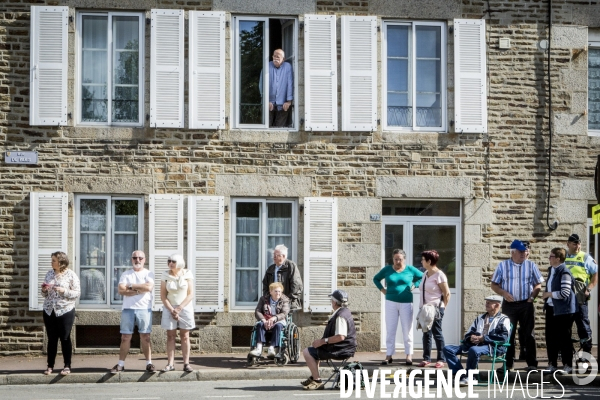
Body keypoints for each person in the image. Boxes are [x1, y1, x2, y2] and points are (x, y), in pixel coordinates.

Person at [491, 239, 543, 371]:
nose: (523, 254)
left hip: (526, 303)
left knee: (529, 334)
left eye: (525, 252)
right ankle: (507, 364)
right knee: (508, 333)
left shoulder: (531, 265)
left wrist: (532, 297)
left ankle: (532, 364)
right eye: (520, 252)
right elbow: (494, 284)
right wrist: (503, 293)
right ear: (512, 252)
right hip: (509, 305)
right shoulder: (503, 266)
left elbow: (538, 284)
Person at [443, 295, 511, 386]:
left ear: (497, 305)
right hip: (475, 345)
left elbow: (503, 337)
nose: (486, 304)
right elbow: (469, 333)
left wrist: (484, 339)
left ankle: (471, 377)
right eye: (486, 302)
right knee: (447, 349)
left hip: (493, 347)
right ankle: (461, 375)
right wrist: (471, 337)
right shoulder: (480, 317)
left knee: (474, 350)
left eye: (489, 302)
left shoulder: (504, 319)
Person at [373, 249, 423, 365]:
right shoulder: (387, 270)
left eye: (400, 259)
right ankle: (388, 355)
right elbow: (375, 279)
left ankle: (409, 355)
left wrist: (414, 285)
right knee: (390, 329)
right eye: (395, 259)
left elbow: (422, 277)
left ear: (404, 259)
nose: (397, 261)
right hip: (390, 302)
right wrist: (382, 290)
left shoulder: (410, 269)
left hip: (406, 302)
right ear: (393, 259)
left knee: (407, 330)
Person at [301, 290, 357, 390]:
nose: (331, 302)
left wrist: (322, 341)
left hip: (340, 350)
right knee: (313, 349)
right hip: (345, 347)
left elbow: (341, 336)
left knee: (306, 352)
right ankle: (314, 377)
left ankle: (317, 381)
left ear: (335, 302)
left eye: (331, 300)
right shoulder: (345, 311)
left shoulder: (340, 316)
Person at [110, 250, 156, 374]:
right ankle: (121, 364)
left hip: (144, 308)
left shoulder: (148, 273)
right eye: (135, 258)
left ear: (144, 260)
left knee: (145, 337)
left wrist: (130, 286)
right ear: (131, 259)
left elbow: (148, 287)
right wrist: (138, 290)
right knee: (125, 337)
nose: (138, 260)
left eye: (140, 258)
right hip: (128, 309)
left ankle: (149, 363)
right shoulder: (126, 274)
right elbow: (121, 290)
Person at [41, 251, 81, 375]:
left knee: (65, 337)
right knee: (52, 338)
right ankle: (50, 366)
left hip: (65, 310)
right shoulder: (49, 274)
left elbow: (77, 293)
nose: (51, 262)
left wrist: (64, 291)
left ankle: (67, 365)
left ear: (61, 262)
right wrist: (44, 290)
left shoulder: (71, 275)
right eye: (52, 260)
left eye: (54, 260)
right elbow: (44, 294)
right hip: (49, 309)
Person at [542, 248, 576, 373]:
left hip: (564, 311)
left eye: (551, 256)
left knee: (564, 338)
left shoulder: (564, 272)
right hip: (552, 308)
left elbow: (565, 293)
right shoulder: (552, 270)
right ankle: (552, 364)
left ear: (558, 258)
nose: (549, 258)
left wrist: (548, 294)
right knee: (550, 338)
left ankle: (568, 365)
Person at [160, 254, 195, 373]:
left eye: (173, 261)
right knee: (170, 336)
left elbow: (190, 294)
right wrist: (171, 309)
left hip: (184, 306)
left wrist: (179, 308)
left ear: (179, 262)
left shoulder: (187, 274)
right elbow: (163, 295)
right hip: (169, 307)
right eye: (169, 261)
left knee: (185, 336)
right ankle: (170, 364)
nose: (170, 263)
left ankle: (186, 363)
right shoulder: (165, 275)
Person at [417, 250, 451, 369]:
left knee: (437, 333)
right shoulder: (425, 273)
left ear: (429, 261)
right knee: (426, 334)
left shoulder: (439, 274)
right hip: (425, 309)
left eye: (423, 259)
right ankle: (426, 358)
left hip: (436, 308)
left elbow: (447, 293)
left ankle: (441, 359)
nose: (421, 261)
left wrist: (443, 308)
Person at [565, 233, 597, 354]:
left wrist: (589, 288)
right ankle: (566, 352)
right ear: (568, 244)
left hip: (580, 296)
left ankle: (586, 352)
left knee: (583, 324)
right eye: (574, 244)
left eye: (579, 244)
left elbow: (596, 273)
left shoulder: (585, 257)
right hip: (565, 297)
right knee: (565, 325)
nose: (577, 246)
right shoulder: (563, 256)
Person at [249, 282, 290, 359]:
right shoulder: (263, 299)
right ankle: (259, 348)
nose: (278, 293)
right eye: (276, 291)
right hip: (266, 319)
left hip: (278, 320)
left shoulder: (285, 300)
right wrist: (264, 320)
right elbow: (258, 311)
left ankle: (271, 348)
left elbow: (284, 313)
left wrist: (274, 318)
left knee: (278, 326)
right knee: (260, 325)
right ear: (270, 291)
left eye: (279, 291)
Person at [259, 49, 293, 127]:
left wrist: (289, 101)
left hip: (282, 104)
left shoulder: (287, 67)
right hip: (268, 102)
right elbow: (261, 84)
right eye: (274, 56)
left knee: (280, 128)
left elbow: (290, 84)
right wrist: (265, 100)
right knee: (266, 127)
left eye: (278, 57)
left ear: (283, 59)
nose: (275, 58)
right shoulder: (267, 66)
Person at [262, 244, 303, 310]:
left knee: (283, 319)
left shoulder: (291, 266)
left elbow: (297, 285)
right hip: (273, 302)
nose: (274, 257)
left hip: (287, 302)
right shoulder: (271, 268)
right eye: (273, 255)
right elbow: (265, 285)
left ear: (283, 256)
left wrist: (287, 300)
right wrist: (267, 298)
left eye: (276, 255)